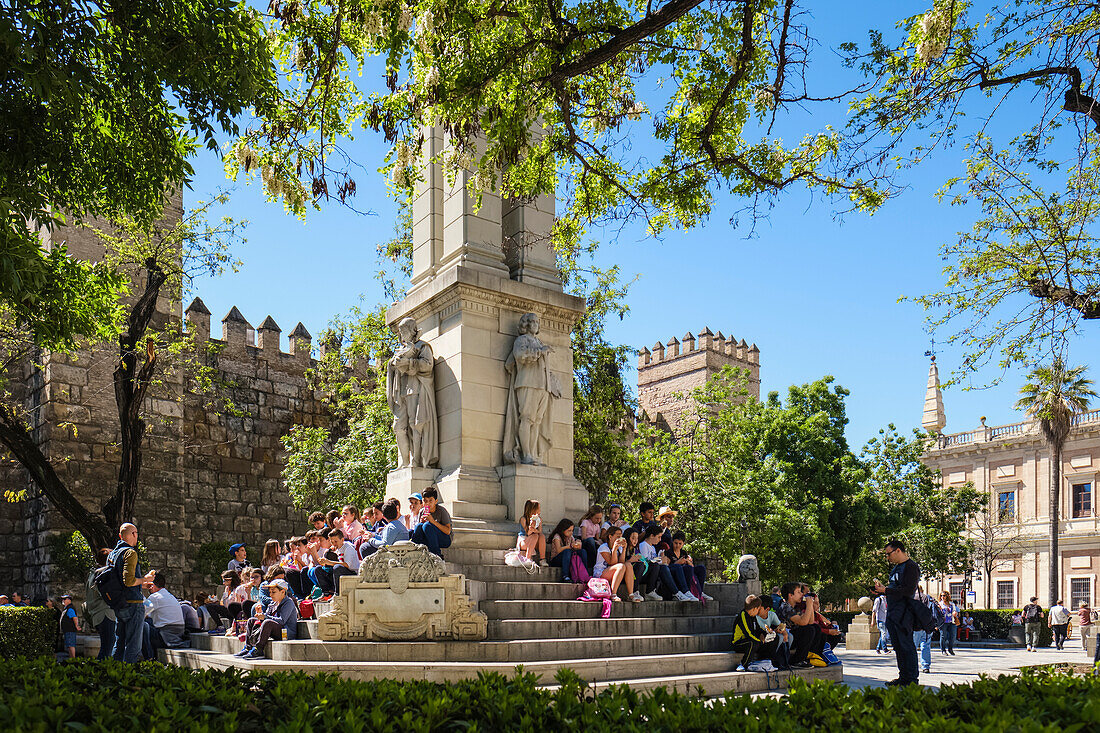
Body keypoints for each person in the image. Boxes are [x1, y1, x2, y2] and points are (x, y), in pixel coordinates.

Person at [872, 538, 921, 686]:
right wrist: (882, 590)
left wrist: (886, 590)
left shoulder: (911, 567)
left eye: (889, 554)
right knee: (898, 647)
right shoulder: (895, 568)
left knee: (907, 645)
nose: (888, 558)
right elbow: (895, 589)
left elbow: (908, 590)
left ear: (898, 550)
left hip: (904, 613)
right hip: (892, 612)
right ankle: (903, 677)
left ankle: (912, 679)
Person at [108, 523, 157, 663]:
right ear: (134, 534)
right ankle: (129, 678)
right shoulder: (130, 553)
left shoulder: (112, 554)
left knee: (119, 644)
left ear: (120, 536)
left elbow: (121, 582)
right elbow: (128, 581)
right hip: (133, 605)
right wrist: (145, 578)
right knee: (133, 646)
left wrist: (141, 583)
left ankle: (113, 674)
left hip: (119, 604)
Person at [235, 579, 299, 660]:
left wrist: (264, 617)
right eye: (270, 592)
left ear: (283, 592)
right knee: (251, 620)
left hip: (286, 632)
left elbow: (282, 621)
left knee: (268, 622)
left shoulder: (288, 603)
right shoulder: (272, 603)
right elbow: (266, 617)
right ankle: (248, 647)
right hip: (275, 628)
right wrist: (260, 615)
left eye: (273, 592)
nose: (271, 595)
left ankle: (259, 649)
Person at [776, 582, 825, 667]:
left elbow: (810, 621)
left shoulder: (795, 607)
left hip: (794, 635)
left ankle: (811, 656)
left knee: (816, 628)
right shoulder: (785, 607)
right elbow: (803, 622)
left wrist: (810, 606)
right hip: (787, 636)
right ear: (790, 595)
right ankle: (797, 660)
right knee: (808, 630)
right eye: (798, 592)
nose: (802, 594)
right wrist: (809, 605)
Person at [638, 525, 689, 601]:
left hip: (655, 571)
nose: (660, 539)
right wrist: (661, 560)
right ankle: (676, 593)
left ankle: (685, 592)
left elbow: (654, 560)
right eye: (659, 537)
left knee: (676, 567)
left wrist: (663, 558)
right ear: (652, 536)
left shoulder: (652, 547)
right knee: (663, 568)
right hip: (646, 574)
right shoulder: (643, 545)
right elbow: (646, 563)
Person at [142, 572, 187, 655]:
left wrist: (138, 589)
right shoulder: (168, 595)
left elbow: (141, 612)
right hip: (176, 635)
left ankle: (148, 657)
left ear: (152, 585)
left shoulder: (155, 597)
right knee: (148, 622)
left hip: (165, 636)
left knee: (143, 626)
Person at [732, 595, 780, 671]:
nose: (758, 612)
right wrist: (760, 641)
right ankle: (743, 664)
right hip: (739, 642)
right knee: (753, 643)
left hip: (752, 640)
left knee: (774, 638)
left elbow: (758, 628)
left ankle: (766, 661)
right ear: (754, 609)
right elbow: (748, 633)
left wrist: (767, 633)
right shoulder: (743, 615)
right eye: (758, 609)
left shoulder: (753, 616)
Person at [662, 532, 714, 602]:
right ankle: (686, 591)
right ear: (672, 542)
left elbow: (691, 566)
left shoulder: (683, 553)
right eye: (675, 543)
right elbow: (667, 567)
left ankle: (699, 592)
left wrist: (688, 562)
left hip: (685, 572)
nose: (677, 546)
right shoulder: (668, 552)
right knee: (682, 567)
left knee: (701, 568)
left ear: (683, 543)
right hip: (675, 572)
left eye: (680, 543)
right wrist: (678, 562)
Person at [85, 547, 116, 660]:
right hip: (105, 614)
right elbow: (108, 594)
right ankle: (100, 672)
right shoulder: (102, 574)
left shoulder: (93, 573)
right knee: (108, 647)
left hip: (99, 614)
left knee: (107, 646)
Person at [592, 526, 637, 602]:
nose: (620, 538)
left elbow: (622, 562)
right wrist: (614, 549)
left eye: (621, 536)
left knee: (628, 565)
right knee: (621, 566)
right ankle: (613, 594)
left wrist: (624, 549)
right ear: (610, 536)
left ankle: (631, 594)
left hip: (614, 571)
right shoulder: (603, 547)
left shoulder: (619, 547)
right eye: (618, 536)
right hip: (600, 573)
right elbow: (612, 563)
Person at [410, 486, 453, 558]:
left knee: (427, 525)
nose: (427, 503)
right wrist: (421, 523)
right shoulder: (422, 511)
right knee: (419, 526)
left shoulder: (441, 511)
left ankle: (436, 554)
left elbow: (448, 531)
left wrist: (433, 521)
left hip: (444, 539)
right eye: (425, 501)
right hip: (429, 538)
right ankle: (413, 551)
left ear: (436, 501)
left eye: (430, 501)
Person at [315, 528, 359, 594]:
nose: (334, 544)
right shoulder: (335, 549)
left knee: (337, 567)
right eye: (332, 542)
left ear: (342, 540)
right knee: (318, 569)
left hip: (352, 573)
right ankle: (327, 593)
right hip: (340, 572)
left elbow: (346, 565)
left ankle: (337, 593)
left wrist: (329, 562)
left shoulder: (348, 548)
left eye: (336, 541)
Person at [756, 595, 791, 669]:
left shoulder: (771, 615)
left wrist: (785, 634)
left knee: (790, 636)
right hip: (762, 639)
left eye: (759, 608)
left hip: (769, 635)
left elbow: (780, 625)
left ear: (767, 609)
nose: (757, 609)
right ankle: (774, 659)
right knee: (779, 637)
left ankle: (784, 659)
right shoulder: (755, 616)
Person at [622, 528, 651, 602]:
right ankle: (634, 590)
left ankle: (651, 591)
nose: (635, 540)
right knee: (640, 565)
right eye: (633, 538)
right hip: (625, 573)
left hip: (637, 573)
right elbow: (621, 564)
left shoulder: (636, 549)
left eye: (637, 538)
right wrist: (630, 560)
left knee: (654, 565)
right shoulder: (622, 548)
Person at [912, 586, 934, 674]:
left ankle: (912, 666)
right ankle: (925, 666)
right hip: (927, 626)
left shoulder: (912, 597)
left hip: (916, 626)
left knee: (912, 647)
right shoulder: (928, 598)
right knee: (926, 646)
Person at [577, 505, 603, 573]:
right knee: (591, 540)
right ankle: (593, 561)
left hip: (592, 542)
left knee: (600, 545)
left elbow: (597, 538)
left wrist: (600, 542)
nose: (598, 520)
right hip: (584, 541)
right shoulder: (585, 522)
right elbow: (583, 537)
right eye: (597, 518)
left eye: (600, 518)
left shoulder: (597, 525)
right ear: (591, 516)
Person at [59, 594, 81, 659]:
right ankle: (71, 658)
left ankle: (73, 659)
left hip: (70, 630)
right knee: (69, 645)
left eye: (64, 599)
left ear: (69, 600)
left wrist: (77, 626)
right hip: (67, 630)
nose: (63, 601)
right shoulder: (67, 608)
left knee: (71, 645)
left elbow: (74, 617)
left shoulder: (70, 608)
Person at [938, 591, 958, 656]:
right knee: (943, 636)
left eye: (944, 595)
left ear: (947, 596)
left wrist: (954, 613)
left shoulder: (952, 604)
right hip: (943, 622)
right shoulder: (939, 604)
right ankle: (943, 650)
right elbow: (937, 613)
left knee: (953, 636)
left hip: (951, 621)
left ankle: (950, 649)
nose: (942, 597)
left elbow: (955, 610)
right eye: (941, 596)